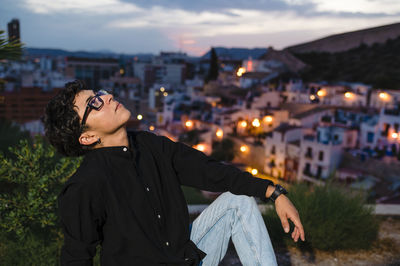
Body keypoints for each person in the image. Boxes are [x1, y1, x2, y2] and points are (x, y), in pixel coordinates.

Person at [43, 80, 305, 266]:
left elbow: (209, 171)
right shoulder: (84, 186)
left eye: (100, 92)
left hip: (186, 257)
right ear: (87, 137)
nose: (107, 97)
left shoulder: (150, 145)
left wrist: (274, 191)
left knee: (239, 201)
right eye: (94, 103)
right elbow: (77, 257)